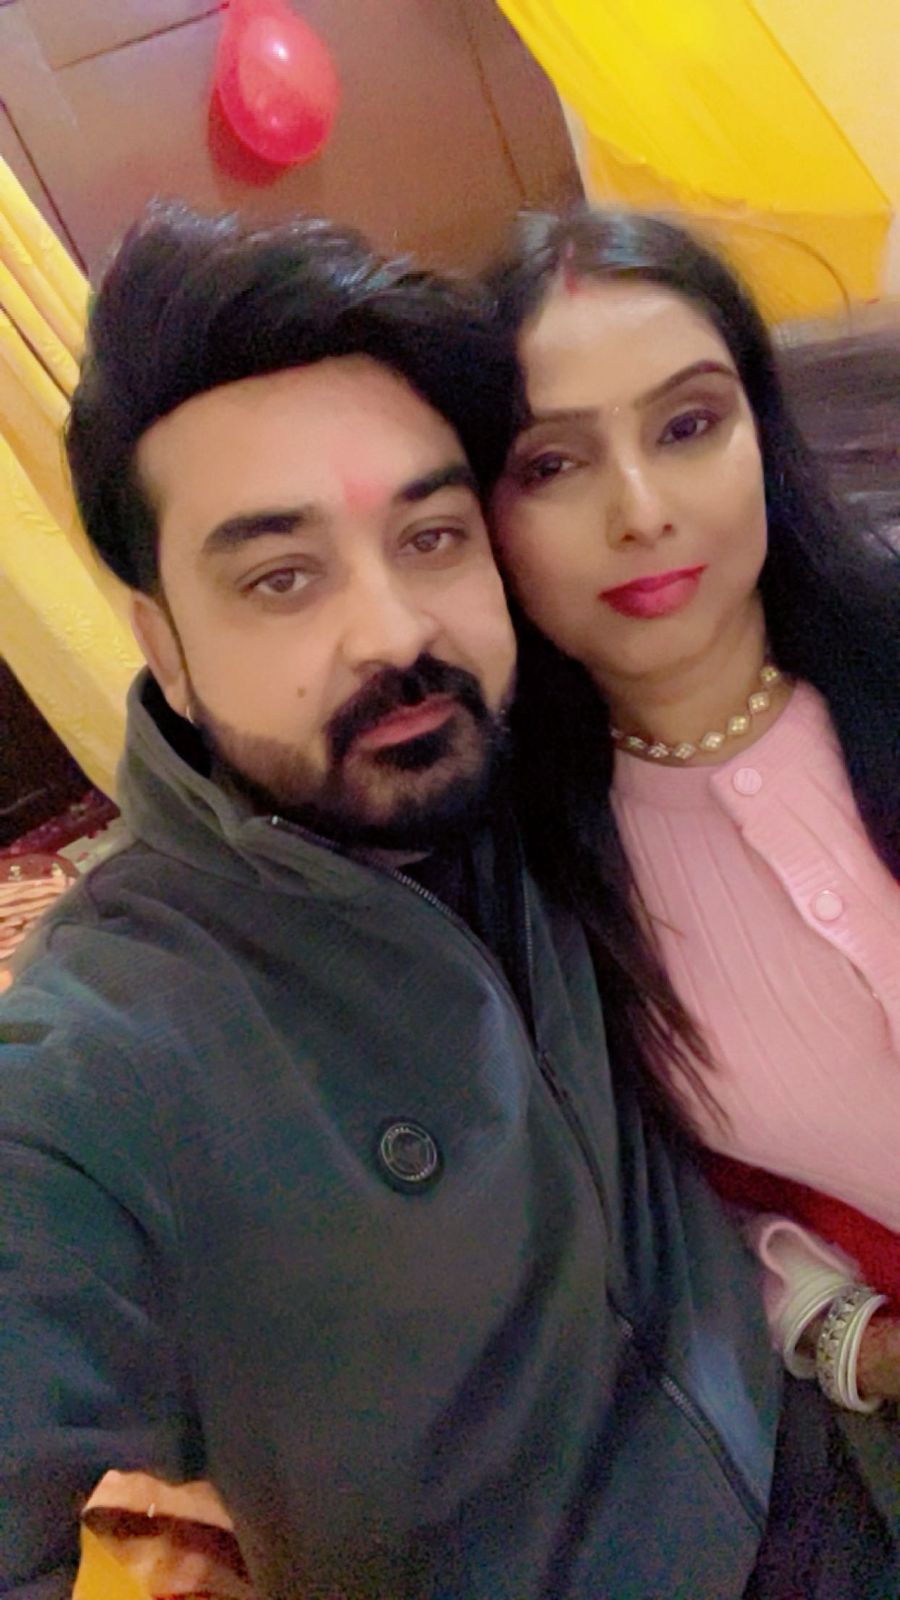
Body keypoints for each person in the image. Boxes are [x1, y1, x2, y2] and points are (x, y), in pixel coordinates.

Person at [0, 202, 788, 1600]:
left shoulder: (544, 758)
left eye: (431, 538)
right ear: (163, 648)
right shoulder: (114, 1052)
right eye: (280, 577)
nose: (395, 630)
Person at [489, 209, 900, 1427]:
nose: (641, 510)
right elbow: (676, 1214)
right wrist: (848, 1336)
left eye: (686, 426)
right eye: (552, 464)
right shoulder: (534, 880)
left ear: (759, 431)